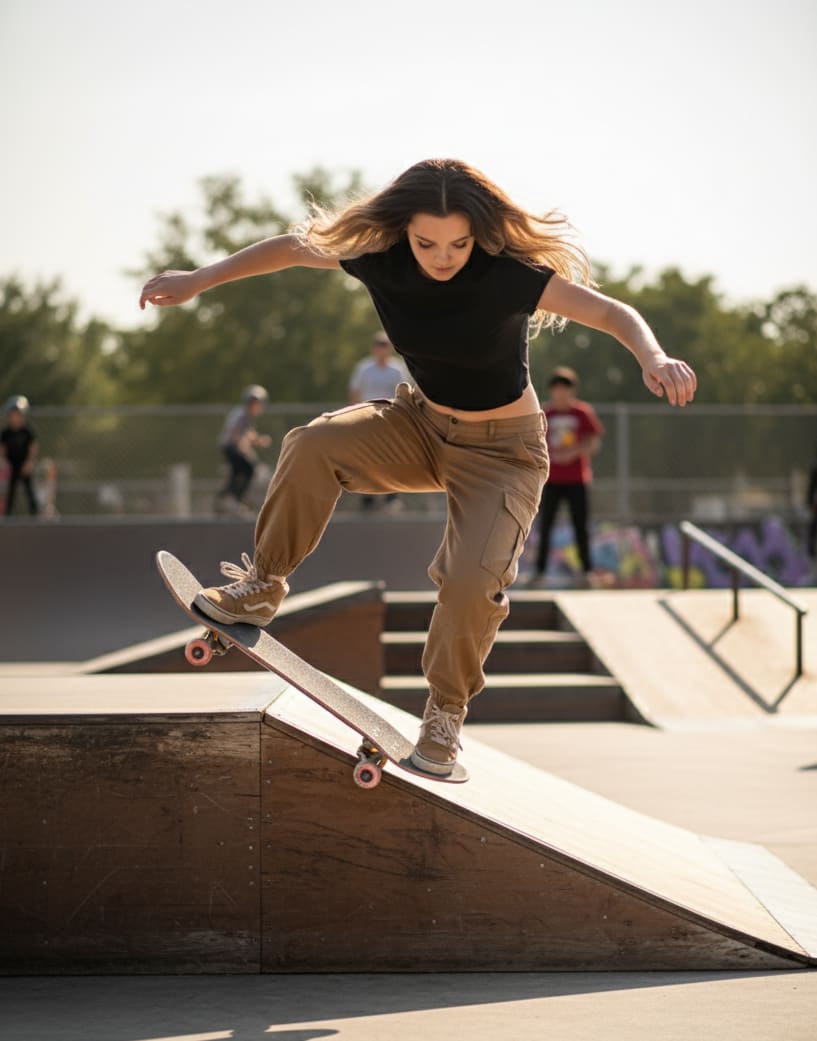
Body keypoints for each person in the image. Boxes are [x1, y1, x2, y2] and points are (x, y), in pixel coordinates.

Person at [140, 158, 696, 777]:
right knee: (313, 444)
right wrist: (199, 279)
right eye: (427, 243)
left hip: (504, 455)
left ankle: (444, 715)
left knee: (470, 581)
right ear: (404, 229)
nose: (443, 257)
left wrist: (653, 356)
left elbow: (612, 313)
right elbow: (292, 248)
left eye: (459, 244)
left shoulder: (508, 275)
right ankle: (262, 586)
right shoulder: (379, 256)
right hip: (421, 428)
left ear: (477, 234)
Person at [528, 367, 604, 586]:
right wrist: (549, 455)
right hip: (550, 480)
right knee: (545, 526)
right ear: (552, 390)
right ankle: (539, 572)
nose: (561, 393)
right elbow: (533, 442)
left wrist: (574, 452)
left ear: (572, 391)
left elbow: (594, 443)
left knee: (581, 526)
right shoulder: (545, 413)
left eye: (565, 388)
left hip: (577, 479)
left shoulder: (582, 413)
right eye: (557, 388)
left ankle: (587, 572)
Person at [348, 330, 410, 510]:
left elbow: (405, 392)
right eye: (378, 345)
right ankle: (367, 494)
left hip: (390, 418)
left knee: (392, 455)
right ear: (373, 348)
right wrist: (352, 415)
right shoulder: (364, 368)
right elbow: (355, 392)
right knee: (367, 456)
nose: (381, 349)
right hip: (367, 417)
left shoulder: (397, 369)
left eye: (385, 345)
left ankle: (392, 494)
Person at [215, 385, 272, 515]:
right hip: (230, 447)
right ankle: (233, 499)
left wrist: (259, 441)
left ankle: (226, 498)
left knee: (239, 473)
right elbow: (234, 432)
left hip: (230, 446)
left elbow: (248, 434)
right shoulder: (242, 414)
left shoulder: (245, 415)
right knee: (249, 469)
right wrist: (243, 449)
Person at [1, 395, 39, 517]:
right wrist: (4, 462)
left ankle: (35, 514)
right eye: (13, 415)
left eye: (18, 415)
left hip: (24, 465)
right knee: (11, 490)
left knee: (29, 489)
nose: (16, 418)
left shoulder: (27, 432)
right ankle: (8, 515)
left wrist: (29, 462)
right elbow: (3, 448)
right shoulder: (6, 433)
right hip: (12, 465)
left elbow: (33, 447)